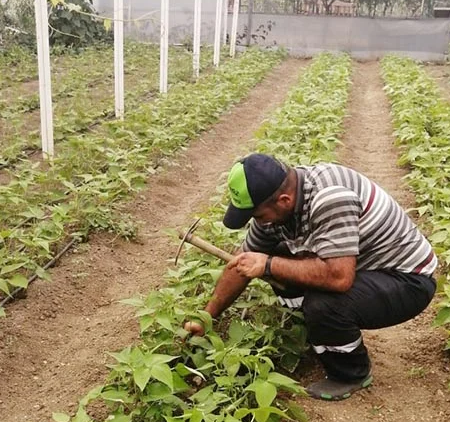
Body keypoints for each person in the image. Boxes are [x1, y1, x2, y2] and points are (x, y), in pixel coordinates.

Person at [183, 153, 437, 401]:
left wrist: (269, 265)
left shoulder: (329, 198)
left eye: (258, 215)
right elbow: (242, 261)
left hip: (407, 279)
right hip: (363, 266)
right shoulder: (280, 205)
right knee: (282, 261)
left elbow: (339, 278)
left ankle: (350, 373)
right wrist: (207, 317)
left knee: (323, 302)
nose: (258, 222)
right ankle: (314, 333)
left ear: (283, 200)